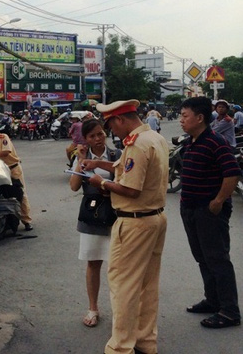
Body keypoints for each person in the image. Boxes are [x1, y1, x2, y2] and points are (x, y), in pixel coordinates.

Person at [82, 99, 168, 354]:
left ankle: (120, 347)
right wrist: (100, 164)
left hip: (134, 222)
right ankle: (144, 341)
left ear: (119, 119)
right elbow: (126, 171)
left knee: (124, 286)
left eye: (109, 125)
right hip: (154, 219)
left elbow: (130, 188)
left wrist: (102, 183)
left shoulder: (137, 144)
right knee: (147, 285)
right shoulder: (153, 138)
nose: (109, 133)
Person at [178, 96, 241, 329]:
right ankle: (213, 300)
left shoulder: (216, 141)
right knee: (202, 258)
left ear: (200, 117)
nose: (181, 120)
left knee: (217, 259)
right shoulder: (191, 141)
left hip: (209, 211)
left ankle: (229, 311)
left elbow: (232, 174)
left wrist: (218, 201)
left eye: (185, 116)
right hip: (190, 209)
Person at [69, 118, 121, 328]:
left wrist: (104, 180)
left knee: (118, 266)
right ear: (86, 140)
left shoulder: (117, 155)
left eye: (100, 134)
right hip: (92, 216)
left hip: (116, 215)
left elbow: (126, 178)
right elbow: (73, 186)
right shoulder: (82, 158)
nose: (98, 139)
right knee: (93, 263)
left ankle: (120, 310)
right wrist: (80, 162)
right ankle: (93, 308)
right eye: (92, 136)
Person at [0, 122, 33, 231]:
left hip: (13, 169)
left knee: (21, 194)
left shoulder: (3, 137)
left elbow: (6, 151)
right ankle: (9, 222)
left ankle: (27, 221)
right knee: (5, 196)